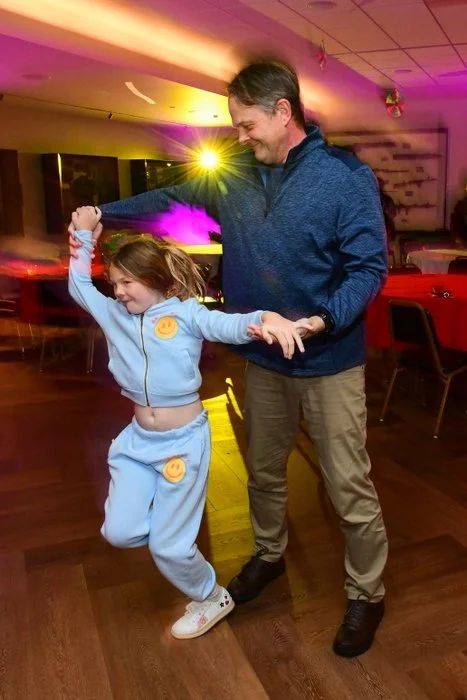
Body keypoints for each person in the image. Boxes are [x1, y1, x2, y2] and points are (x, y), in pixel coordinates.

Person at [69, 59, 389, 658]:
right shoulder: (235, 173)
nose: (239, 137)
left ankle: (366, 593)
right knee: (263, 474)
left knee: (348, 485)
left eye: (247, 125)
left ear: (283, 111)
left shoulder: (346, 177)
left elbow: (369, 268)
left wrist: (321, 319)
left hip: (330, 361)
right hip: (263, 360)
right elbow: (169, 195)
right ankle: (269, 555)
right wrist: (102, 213)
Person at [68, 205, 310, 640]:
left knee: (169, 546)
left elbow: (229, 324)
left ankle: (211, 596)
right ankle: (169, 529)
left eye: (127, 282)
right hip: (137, 443)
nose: (118, 292)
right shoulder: (114, 315)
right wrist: (83, 237)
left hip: (182, 443)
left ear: (157, 280)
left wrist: (265, 320)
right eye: (114, 283)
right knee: (119, 532)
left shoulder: (186, 315)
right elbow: (79, 285)